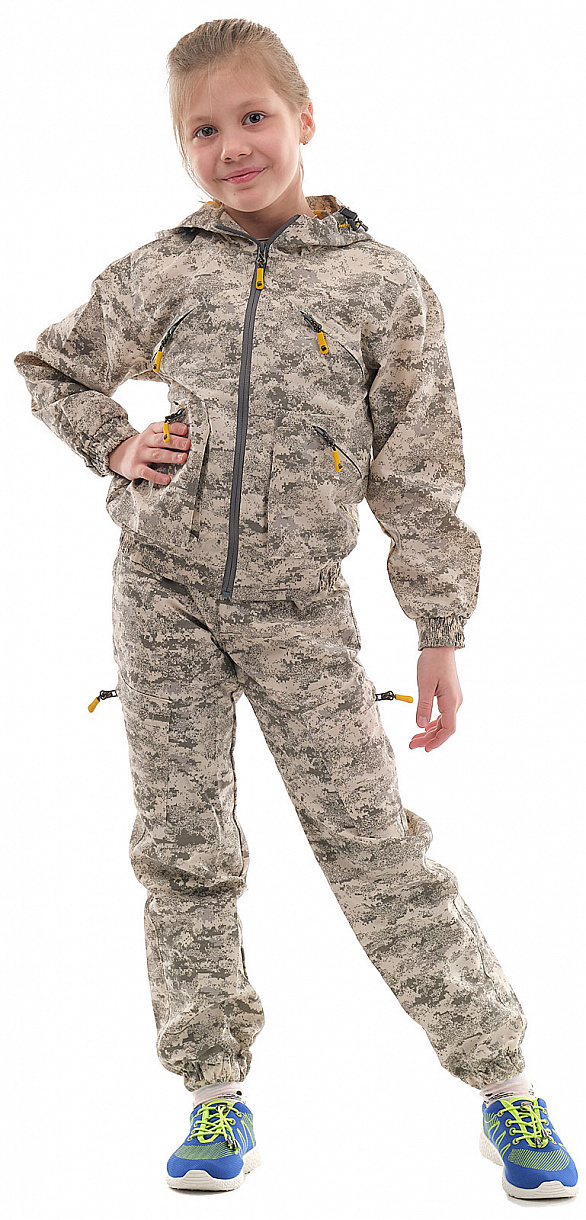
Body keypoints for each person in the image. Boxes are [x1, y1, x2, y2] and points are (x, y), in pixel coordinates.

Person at [13, 16, 578, 1203]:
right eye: (201, 130)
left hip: (302, 612)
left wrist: (438, 631)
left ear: (304, 119)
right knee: (184, 849)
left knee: (377, 849)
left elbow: (419, 473)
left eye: (253, 117)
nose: (232, 147)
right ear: (180, 145)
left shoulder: (384, 286)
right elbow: (52, 366)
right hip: (161, 598)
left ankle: (504, 1081)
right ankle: (213, 1090)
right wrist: (113, 441)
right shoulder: (162, 271)